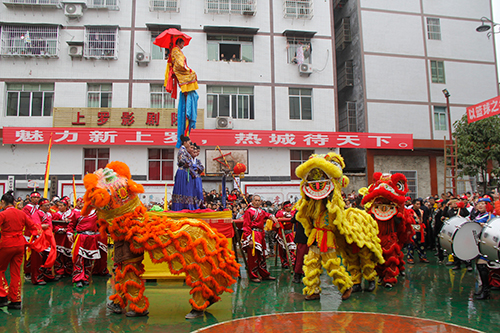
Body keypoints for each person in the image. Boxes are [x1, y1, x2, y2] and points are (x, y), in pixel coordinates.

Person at [0, 191, 42, 309]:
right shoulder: (21, 214)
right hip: (20, 244)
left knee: (0, 269)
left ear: (3, 202)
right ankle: (16, 300)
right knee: (16, 272)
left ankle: (2, 295)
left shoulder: (3, 214)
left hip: (7, 244)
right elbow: (34, 227)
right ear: (14, 202)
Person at [169, 37, 199, 148]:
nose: (183, 45)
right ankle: (187, 88)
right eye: (183, 43)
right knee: (193, 74)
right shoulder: (176, 51)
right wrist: (188, 69)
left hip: (180, 71)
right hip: (180, 71)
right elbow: (180, 64)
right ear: (179, 42)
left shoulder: (177, 50)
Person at [242, 195, 278, 283]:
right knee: (253, 257)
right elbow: (246, 226)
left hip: (261, 235)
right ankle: (253, 275)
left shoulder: (261, 211)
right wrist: (249, 239)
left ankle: (264, 274)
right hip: (253, 235)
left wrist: (273, 217)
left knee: (262, 256)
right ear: (253, 201)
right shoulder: (248, 212)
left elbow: (268, 214)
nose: (257, 202)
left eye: (259, 200)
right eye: (256, 200)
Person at [67, 208, 101, 288]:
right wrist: (69, 233)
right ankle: (78, 278)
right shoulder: (77, 213)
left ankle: (86, 277)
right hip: (81, 237)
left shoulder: (97, 213)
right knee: (79, 258)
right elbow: (71, 224)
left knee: (89, 259)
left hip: (92, 238)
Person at [30, 198, 57, 285]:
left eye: (49, 205)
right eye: (46, 205)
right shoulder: (36, 214)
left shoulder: (49, 214)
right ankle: (38, 278)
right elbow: (34, 225)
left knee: (48, 257)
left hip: (48, 238)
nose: (48, 207)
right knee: (39, 258)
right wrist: (41, 226)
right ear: (40, 206)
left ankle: (48, 276)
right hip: (40, 238)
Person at [172, 135, 201, 210]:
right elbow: (183, 161)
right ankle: (181, 207)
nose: (190, 144)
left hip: (186, 171)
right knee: (183, 189)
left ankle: (187, 206)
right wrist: (190, 164)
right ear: (185, 142)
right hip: (183, 171)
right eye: (189, 143)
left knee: (187, 189)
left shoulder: (185, 151)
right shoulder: (182, 150)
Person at [473, 197, 494, 300]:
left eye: (483, 204)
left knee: (482, 266)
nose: (480, 205)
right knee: (479, 266)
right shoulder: (479, 216)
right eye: (479, 203)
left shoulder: (492, 217)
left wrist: (485, 225)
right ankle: (483, 289)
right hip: (479, 244)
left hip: (487, 245)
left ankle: (486, 291)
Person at [51, 197, 75, 277]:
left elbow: (73, 224)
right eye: (59, 206)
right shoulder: (56, 214)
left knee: (68, 254)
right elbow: (53, 225)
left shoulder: (71, 214)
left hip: (68, 237)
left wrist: (68, 230)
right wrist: (60, 229)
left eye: (61, 206)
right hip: (59, 237)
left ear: (66, 206)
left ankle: (69, 270)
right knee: (59, 254)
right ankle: (59, 271)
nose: (60, 207)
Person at [274, 201, 296, 269]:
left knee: (291, 248)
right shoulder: (280, 212)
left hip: (290, 234)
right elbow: (278, 215)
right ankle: (284, 262)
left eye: (290, 206)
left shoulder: (293, 212)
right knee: (282, 250)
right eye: (288, 207)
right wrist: (285, 214)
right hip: (282, 233)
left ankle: (292, 262)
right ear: (285, 207)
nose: (290, 208)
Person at [407, 199, 429, 264]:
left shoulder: (421, 211)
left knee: (421, 244)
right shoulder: (410, 212)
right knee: (411, 244)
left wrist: (424, 230)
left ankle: (422, 257)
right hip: (412, 230)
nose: (419, 205)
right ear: (413, 205)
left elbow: (424, 221)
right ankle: (410, 258)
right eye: (417, 204)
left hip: (420, 230)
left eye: (419, 204)